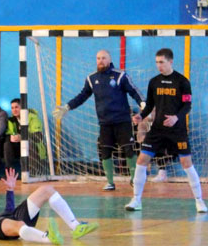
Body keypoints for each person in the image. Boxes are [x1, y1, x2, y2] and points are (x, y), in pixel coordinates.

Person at [126, 48, 207, 213]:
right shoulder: (154, 82)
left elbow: (187, 105)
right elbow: (150, 105)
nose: (159, 66)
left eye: (161, 62)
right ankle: (136, 199)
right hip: (157, 130)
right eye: (157, 62)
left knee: (186, 163)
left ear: (170, 62)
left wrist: (176, 118)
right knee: (141, 160)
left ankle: (199, 201)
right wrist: (141, 116)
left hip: (177, 131)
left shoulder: (182, 82)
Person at [53, 49, 145, 191]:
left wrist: (142, 103)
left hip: (122, 121)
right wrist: (67, 107)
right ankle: (110, 182)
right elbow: (82, 96)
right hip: (105, 123)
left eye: (103, 58)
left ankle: (134, 180)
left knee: (128, 149)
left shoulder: (121, 76)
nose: (100, 61)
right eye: (98, 58)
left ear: (109, 59)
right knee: (105, 152)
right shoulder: (91, 79)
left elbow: (134, 91)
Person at [0, 167, 98, 244]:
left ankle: (75, 226)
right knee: (17, 224)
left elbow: (8, 212)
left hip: (5, 219)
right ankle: (47, 238)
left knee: (46, 189)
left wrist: (10, 190)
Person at [4, 98, 45, 171]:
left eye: (16, 107)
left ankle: (33, 172)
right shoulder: (12, 120)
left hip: (33, 146)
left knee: (30, 144)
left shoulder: (33, 118)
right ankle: (9, 172)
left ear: (22, 108)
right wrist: (11, 137)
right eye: (12, 108)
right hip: (18, 146)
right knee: (7, 144)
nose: (14, 110)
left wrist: (22, 137)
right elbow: (9, 133)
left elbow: (38, 136)